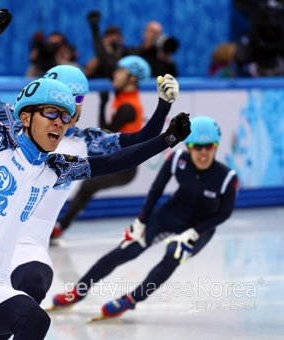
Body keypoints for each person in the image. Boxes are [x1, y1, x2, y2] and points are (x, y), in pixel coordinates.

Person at [0, 8, 191, 339]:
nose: (61, 119)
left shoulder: (59, 165)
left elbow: (119, 159)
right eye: (52, 111)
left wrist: (168, 136)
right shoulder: (0, 138)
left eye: (70, 109)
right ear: (28, 115)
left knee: (34, 316)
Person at [50, 116, 239, 320]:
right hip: (172, 214)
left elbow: (224, 213)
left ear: (216, 147)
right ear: (189, 147)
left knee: (174, 254)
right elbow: (156, 190)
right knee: (126, 249)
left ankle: (131, 300)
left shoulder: (227, 177)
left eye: (209, 147)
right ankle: (78, 291)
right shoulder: (177, 160)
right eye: (197, 146)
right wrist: (141, 221)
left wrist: (194, 232)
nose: (203, 153)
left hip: (201, 226)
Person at [52, 56, 179, 239]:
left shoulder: (128, 106)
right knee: (85, 183)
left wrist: (163, 108)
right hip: (122, 159)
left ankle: (60, 226)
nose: (114, 73)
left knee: (87, 184)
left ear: (132, 79)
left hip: (124, 164)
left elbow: (110, 133)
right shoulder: (124, 98)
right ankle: (59, 226)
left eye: (120, 71)